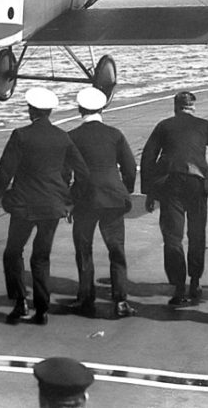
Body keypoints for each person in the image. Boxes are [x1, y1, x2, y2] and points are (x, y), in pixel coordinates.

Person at [0, 87, 89, 326]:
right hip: (52, 207)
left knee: (13, 252)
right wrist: (70, 201)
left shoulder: (20, 135)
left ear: (31, 111)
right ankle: (42, 310)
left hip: (24, 206)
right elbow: (82, 172)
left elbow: (4, 172)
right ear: (49, 111)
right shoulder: (63, 137)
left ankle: (20, 303)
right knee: (41, 258)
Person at [140, 91, 208, 306]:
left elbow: (148, 157)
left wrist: (149, 192)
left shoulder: (164, 126)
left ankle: (178, 287)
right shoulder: (205, 126)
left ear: (175, 107)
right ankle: (195, 280)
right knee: (196, 233)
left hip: (170, 183)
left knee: (173, 236)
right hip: (197, 182)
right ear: (194, 107)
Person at [67, 87, 137, 318]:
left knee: (84, 250)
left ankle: (86, 300)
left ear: (80, 109)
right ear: (102, 108)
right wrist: (125, 191)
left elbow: (64, 173)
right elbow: (129, 168)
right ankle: (120, 301)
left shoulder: (72, 136)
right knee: (116, 249)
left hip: (85, 199)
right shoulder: (115, 134)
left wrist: (68, 200)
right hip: (113, 198)